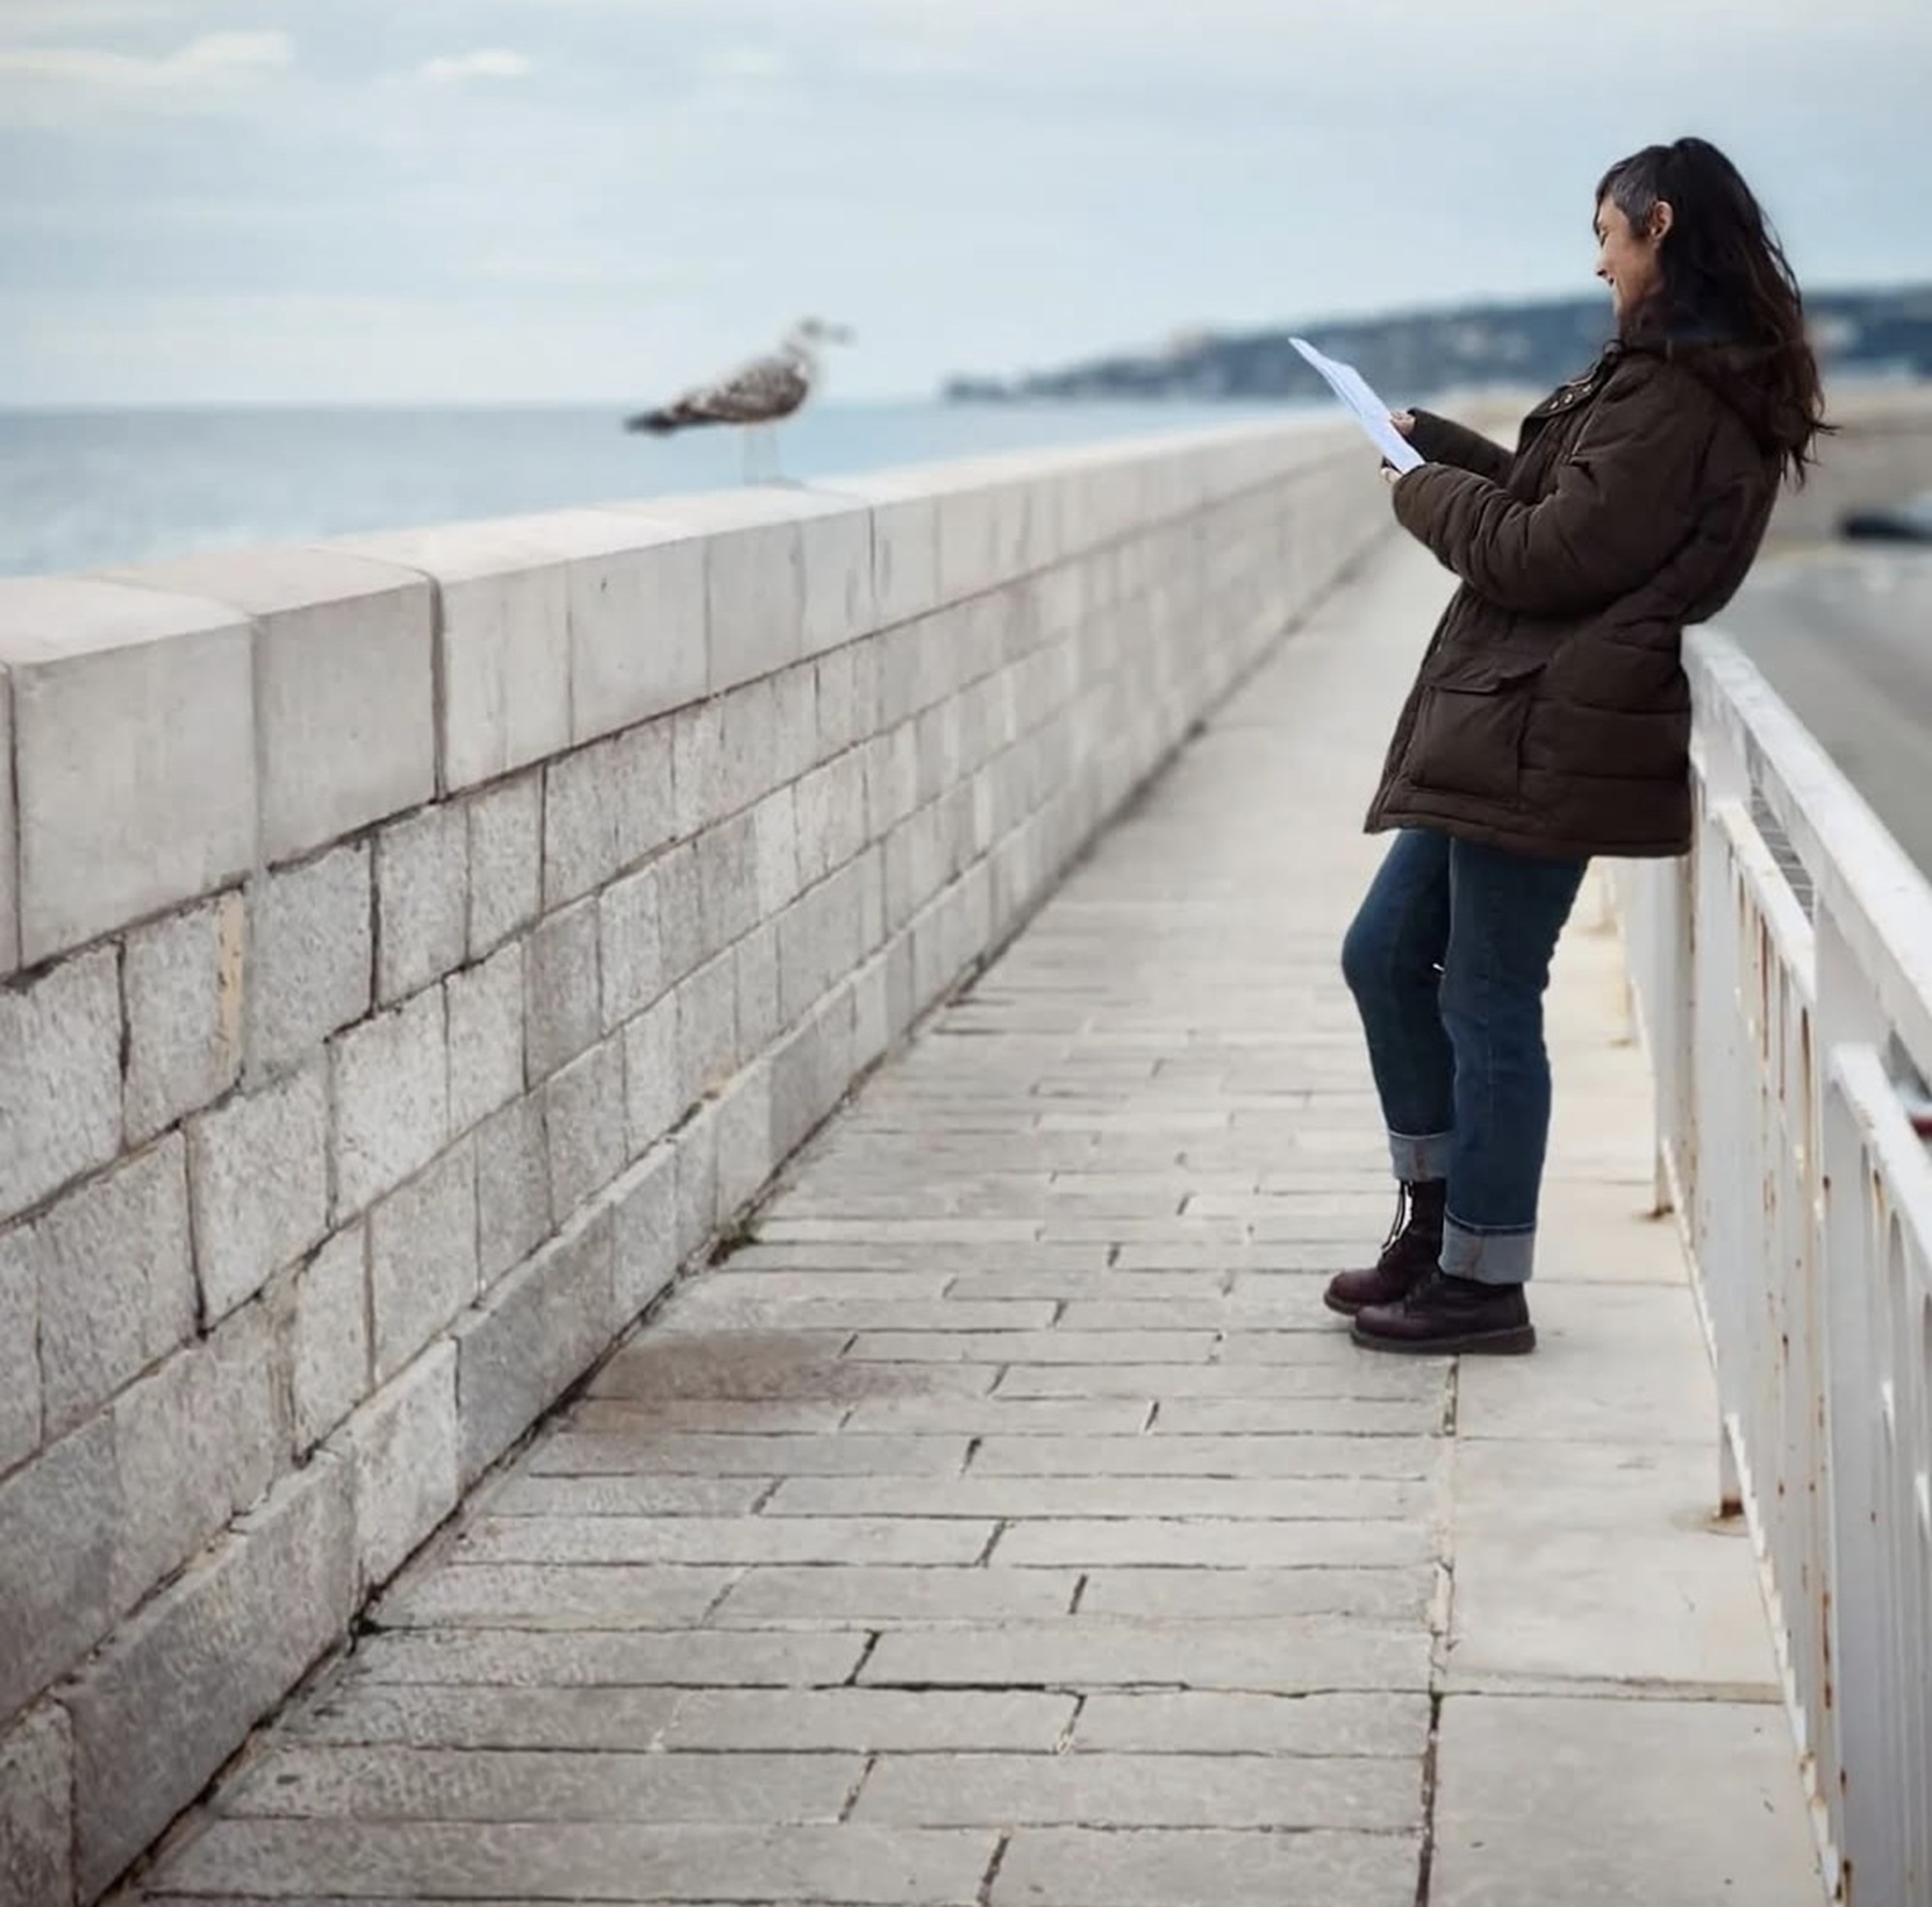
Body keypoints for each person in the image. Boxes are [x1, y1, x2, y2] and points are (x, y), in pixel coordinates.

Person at [1327, 136, 1828, 1355]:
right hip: (1513, 712)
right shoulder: (1657, 375)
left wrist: (1416, 494)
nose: (1597, 260)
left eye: (1604, 234)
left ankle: (1482, 1283)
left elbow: (1549, 558)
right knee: (1386, 955)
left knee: (1489, 997)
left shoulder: (1678, 392)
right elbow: (1571, 515)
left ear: (1653, 225)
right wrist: (1445, 451)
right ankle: (1434, 1230)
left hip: (1555, 724)